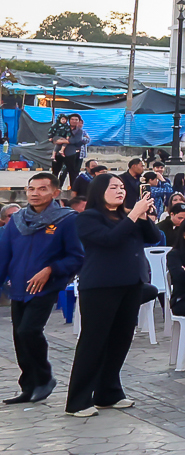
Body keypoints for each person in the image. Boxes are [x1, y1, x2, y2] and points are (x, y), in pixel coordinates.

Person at [65, 173, 163, 417]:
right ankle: (78, 400)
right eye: (113, 187)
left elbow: (153, 238)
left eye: (122, 187)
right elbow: (109, 240)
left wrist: (143, 217)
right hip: (101, 286)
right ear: (99, 191)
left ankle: (108, 393)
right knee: (94, 342)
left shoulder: (126, 216)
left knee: (121, 339)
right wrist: (133, 215)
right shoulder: (88, 217)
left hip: (131, 284)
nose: (120, 191)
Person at [1, 172, 84, 403]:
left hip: (44, 287)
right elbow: (4, 255)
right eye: (31, 189)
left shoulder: (67, 220)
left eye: (42, 189)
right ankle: (29, 386)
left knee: (29, 331)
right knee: (19, 337)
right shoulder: (18, 220)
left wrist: (51, 269)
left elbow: (77, 257)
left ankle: (45, 378)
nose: (35, 193)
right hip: (18, 287)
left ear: (55, 193)